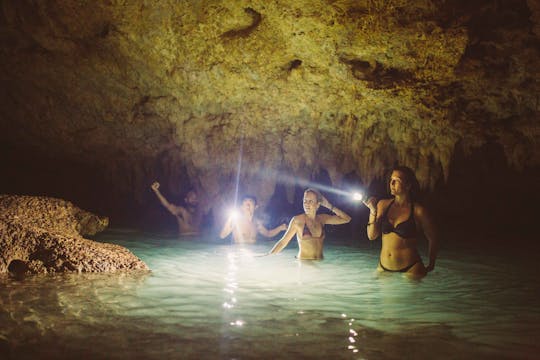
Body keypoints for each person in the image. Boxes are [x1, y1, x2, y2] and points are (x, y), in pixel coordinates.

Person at [362, 166, 438, 277]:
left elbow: (433, 238)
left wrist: (431, 265)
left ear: (408, 186)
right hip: (384, 267)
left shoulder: (418, 211)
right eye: (391, 180)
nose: (391, 183)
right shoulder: (383, 205)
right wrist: (372, 211)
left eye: (397, 181)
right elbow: (371, 236)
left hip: (411, 268)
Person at [267, 188, 351, 260]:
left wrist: (329, 206)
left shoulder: (322, 219)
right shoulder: (298, 220)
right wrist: (268, 256)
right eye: (305, 201)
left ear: (318, 205)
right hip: (304, 264)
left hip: (320, 262)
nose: (307, 204)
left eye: (310, 201)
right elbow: (283, 242)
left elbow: (346, 219)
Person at [219, 195, 287, 244]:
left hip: (253, 254)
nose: (248, 205)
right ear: (241, 207)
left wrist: (280, 228)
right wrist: (230, 218)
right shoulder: (236, 221)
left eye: (250, 202)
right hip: (238, 254)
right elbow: (222, 236)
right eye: (245, 203)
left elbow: (268, 233)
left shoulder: (256, 223)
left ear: (255, 207)